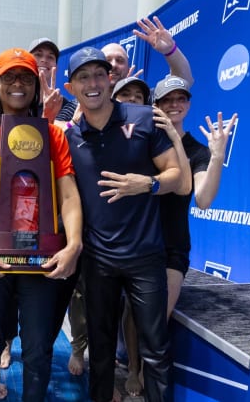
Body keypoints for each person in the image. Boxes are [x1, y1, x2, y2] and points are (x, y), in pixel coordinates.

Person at [0, 47, 83, 402]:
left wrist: (73, 245)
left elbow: (68, 195)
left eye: (25, 76)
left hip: (41, 257)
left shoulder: (53, 135)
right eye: (9, 76)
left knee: (39, 346)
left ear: (36, 85)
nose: (17, 84)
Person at [62, 46, 182, 402]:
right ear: (72, 87)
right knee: (100, 350)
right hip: (98, 262)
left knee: (156, 349)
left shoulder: (144, 118)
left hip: (146, 258)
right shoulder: (69, 137)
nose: (93, 83)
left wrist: (147, 184)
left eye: (99, 74)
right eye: (83, 77)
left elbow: (177, 176)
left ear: (110, 79)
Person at [153, 75, 237, 318]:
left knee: (158, 320)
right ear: (156, 106)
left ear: (188, 105)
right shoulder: (145, 141)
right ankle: (129, 358)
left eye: (180, 99)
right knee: (130, 314)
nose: (174, 104)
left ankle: (145, 358)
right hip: (139, 243)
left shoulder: (198, 151)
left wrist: (217, 157)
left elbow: (203, 199)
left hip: (172, 246)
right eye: (167, 100)